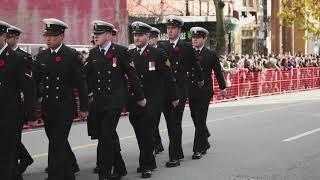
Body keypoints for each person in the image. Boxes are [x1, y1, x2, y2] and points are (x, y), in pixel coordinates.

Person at [85, 20, 145, 180]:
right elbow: (86, 76)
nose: (95, 37)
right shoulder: (93, 54)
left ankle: (104, 174)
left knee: (105, 136)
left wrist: (140, 97)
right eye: (94, 34)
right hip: (99, 101)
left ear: (107, 35)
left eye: (98, 34)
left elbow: (133, 75)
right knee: (108, 136)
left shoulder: (121, 52)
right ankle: (120, 168)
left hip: (114, 101)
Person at [33, 18, 88, 180]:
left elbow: (81, 84)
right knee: (57, 142)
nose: (48, 39)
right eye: (46, 36)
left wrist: (84, 107)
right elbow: (35, 82)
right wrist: (32, 106)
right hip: (48, 107)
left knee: (56, 143)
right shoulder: (41, 56)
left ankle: (54, 176)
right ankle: (68, 174)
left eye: (52, 36)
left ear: (61, 36)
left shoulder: (71, 56)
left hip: (65, 108)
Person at [127, 21, 179, 178]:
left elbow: (168, 78)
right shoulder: (130, 55)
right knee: (139, 132)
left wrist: (174, 96)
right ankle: (149, 160)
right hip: (135, 100)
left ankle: (146, 165)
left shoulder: (158, 54)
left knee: (147, 132)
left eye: (140, 35)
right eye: (135, 35)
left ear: (148, 36)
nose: (137, 37)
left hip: (153, 100)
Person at [157, 15, 204, 167]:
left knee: (175, 121)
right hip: (165, 89)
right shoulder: (161, 46)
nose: (169, 31)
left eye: (173, 28)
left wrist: (200, 79)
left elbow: (196, 66)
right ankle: (178, 152)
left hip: (180, 89)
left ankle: (174, 157)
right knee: (170, 123)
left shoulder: (187, 47)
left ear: (179, 30)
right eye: (168, 28)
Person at [0, 20, 37, 180]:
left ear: (3, 36)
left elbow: (29, 91)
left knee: (6, 157)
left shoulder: (17, 59)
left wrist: (31, 116)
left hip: (9, 116)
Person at [188, 27, 226, 159]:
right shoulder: (189, 53)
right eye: (193, 38)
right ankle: (204, 139)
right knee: (194, 117)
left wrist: (223, 87)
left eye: (198, 38)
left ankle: (197, 149)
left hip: (204, 92)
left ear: (204, 39)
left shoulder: (211, 55)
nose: (195, 40)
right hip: (191, 90)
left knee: (200, 119)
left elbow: (218, 72)